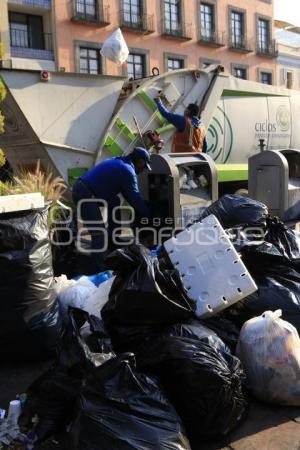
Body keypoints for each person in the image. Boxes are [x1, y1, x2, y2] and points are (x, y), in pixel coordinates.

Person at [72, 147, 152, 272]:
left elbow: (128, 195)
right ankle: (100, 270)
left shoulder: (119, 161)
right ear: (140, 161)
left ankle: (113, 240)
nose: (142, 170)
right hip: (86, 195)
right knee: (99, 233)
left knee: (115, 202)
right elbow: (134, 198)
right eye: (144, 166)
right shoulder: (127, 170)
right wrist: (149, 215)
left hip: (84, 189)